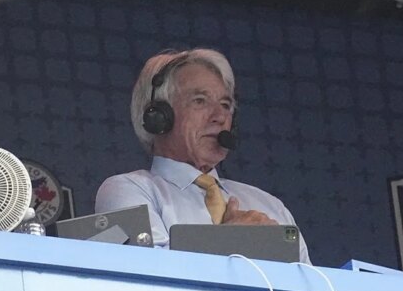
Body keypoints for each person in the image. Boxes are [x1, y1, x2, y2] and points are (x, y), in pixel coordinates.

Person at [95, 48, 310, 263]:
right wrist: (233, 240)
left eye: (225, 105)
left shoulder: (270, 206)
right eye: (200, 101)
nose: (219, 117)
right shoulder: (126, 190)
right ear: (159, 116)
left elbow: (310, 282)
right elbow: (147, 268)